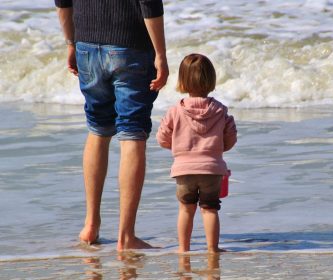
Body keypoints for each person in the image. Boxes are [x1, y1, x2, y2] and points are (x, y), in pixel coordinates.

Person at [54, 0, 169, 251]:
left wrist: (70, 43)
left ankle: (90, 226)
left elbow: (62, 2)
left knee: (97, 129)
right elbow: (149, 2)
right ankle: (126, 236)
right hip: (131, 44)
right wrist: (160, 54)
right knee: (132, 133)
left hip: (86, 43)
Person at [156, 54, 237, 253]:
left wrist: (179, 149)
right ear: (211, 79)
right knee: (210, 209)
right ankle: (212, 249)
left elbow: (162, 137)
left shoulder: (175, 111)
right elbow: (230, 139)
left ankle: (183, 249)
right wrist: (217, 149)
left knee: (186, 209)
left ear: (182, 81)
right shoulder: (220, 110)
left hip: (183, 170)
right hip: (212, 169)